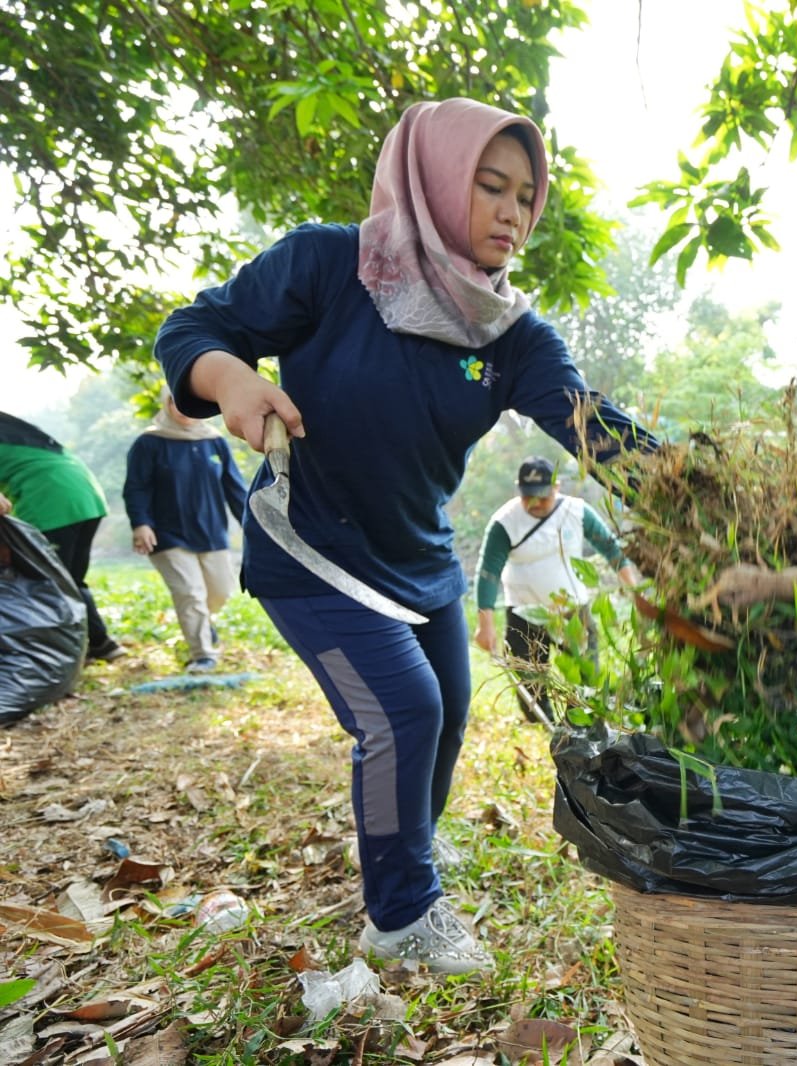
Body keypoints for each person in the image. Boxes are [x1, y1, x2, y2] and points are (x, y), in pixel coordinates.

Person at [153, 98, 656, 975]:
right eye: (489, 186)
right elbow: (193, 328)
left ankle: (407, 843)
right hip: (311, 550)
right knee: (402, 714)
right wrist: (229, 376)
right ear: (430, 181)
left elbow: (594, 427)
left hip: (419, 557)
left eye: (526, 197)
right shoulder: (327, 265)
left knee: (450, 713)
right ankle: (401, 915)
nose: (511, 212)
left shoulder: (513, 335)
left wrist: (703, 494)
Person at [473, 456, 641, 722]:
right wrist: (486, 625)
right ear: (520, 491)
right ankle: (544, 727)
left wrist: (636, 593)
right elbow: (488, 574)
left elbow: (612, 550)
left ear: (557, 488)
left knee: (586, 678)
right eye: (530, 497)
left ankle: (581, 729)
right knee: (531, 683)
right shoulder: (505, 522)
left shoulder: (576, 511)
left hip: (572, 611)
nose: (536, 503)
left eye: (543, 496)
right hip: (524, 615)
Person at [123, 389, 249, 673]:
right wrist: (140, 522)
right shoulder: (150, 442)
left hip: (211, 532)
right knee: (190, 594)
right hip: (166, 534)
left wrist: (251, 524)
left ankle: (202, 626)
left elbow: (235, 488)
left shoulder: (214, 442)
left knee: (221, 592)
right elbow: (137, 486)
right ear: (167, 404)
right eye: (175, 402)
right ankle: (202, 654)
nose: (182, 409)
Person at [0, 412, 126, 662]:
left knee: (47, 582)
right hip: (85, 494)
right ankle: (101, 644)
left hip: (53, 501)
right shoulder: (13, 430)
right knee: (69, 579)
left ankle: (60, 652)